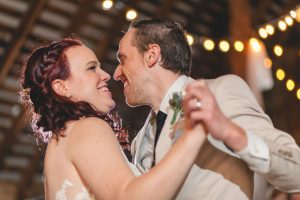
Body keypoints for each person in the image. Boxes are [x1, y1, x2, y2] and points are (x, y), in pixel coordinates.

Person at [113, 18, 300, 199]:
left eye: (123, 59)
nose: (116, 74)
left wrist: (232, 134)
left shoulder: (219, 93)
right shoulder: (140, 140)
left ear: (151, 55)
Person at [20, 38, 208, 199]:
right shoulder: (86, 128)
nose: (106, 75)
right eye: (91, 68)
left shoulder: (62, 140)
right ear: (62, 87)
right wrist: (194, 135)